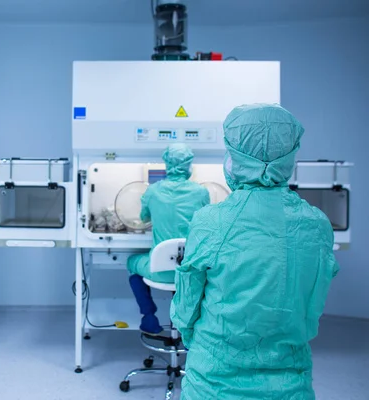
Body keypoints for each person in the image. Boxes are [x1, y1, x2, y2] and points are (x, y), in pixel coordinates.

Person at [170, 104, 339, 399]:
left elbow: (186, 309)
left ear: (234, 158)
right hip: (290, 383)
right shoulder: (317, 225)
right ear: (289, 157)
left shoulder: (211, 221)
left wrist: (199, 344)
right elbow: (311, 312)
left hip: (213, 380)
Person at [127, 144, 210, 335]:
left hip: (158, 271)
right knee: (186, 271)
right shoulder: (201, 192)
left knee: (132, 263)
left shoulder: (153, 191)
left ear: (166, 165)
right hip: (191, 271)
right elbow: (206, 221)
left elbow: (143, 218)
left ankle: (148, 316)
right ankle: (186, 323)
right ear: (190, 166)